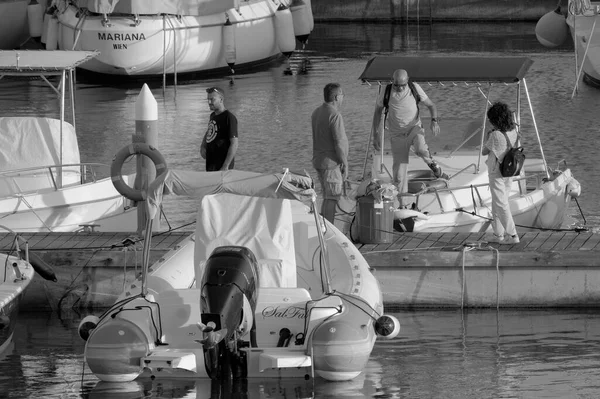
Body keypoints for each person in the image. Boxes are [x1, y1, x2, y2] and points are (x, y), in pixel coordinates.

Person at [371, 69, 443, 207]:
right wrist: (376, 134)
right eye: (396, 85)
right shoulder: (386, 91)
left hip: (414, 129)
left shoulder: (414, 88)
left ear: (407, 80)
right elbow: (377, 111)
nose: (399, 88)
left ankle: (431, 163)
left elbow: (431, 105)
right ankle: (403, 205)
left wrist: (434, 121)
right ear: (393, 81)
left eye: (402, 85)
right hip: (397, 135)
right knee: (399, 175)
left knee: (421, 149)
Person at [482, 101, 520, 244]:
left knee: (501, 203)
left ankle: (513, 235)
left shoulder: (495, 135)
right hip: (509, 170)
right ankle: (498, 234)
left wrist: (488, 136)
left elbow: (484, 151)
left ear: (495, 119)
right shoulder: (513, 131)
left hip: (496, 171)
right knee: (498, 202)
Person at [311, 82, 349, 225]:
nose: (343, 97)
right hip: (331, 163)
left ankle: (324, 228)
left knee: (327, 196)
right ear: (336, 97)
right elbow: (339, 143)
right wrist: (345, 163)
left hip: (319, 160)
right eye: (342, 94)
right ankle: (328, 229)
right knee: (332, 197)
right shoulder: (334, 115)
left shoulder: (317, 112)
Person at [200, 87, 238, 171]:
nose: (209, 102)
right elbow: (209, 131)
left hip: (222, 168)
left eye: (212, 99)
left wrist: (225, 166)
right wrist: (203, 146)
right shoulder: (213, 115)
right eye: (208, 99)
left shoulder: (229, 117)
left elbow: (234, 144)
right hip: (211, 165)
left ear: (221, 99)